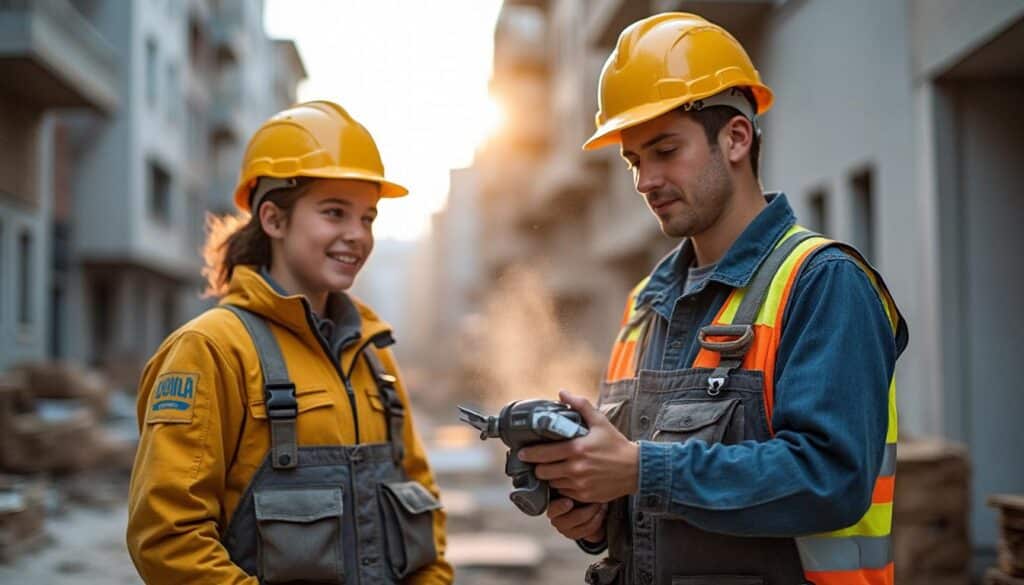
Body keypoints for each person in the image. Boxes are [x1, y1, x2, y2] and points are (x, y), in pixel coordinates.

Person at [518, 13, 908, 585]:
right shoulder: (645, 305)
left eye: (665, 150)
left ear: (736, 138)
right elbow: (645, 497)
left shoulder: (823, 282)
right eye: (635, 161)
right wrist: (596, 513)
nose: (645, 181)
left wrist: (641, 471)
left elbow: (832, 479)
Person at [126, 100, 453, 585]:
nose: (357, 235)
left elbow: (424, 510)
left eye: (367, 218)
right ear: (274, 219)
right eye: (335, 212)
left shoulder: (373, 356)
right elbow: (168, 537)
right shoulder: (211, 350)